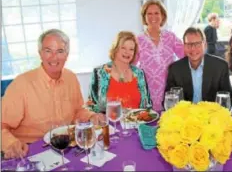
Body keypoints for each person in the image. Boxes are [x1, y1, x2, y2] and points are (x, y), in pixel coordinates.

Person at [1, 29, 104, 159]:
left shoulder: (71, 77)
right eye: (48, 51)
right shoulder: (21, 84)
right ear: (40, 54)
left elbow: (77, 111)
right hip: (31, 151)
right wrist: (11, 144)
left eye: (60, 51)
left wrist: (91, 116)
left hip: (67, 148)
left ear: (67, 55)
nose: (54, 57)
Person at [135, 0, 184, 111]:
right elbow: (131, 66)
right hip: (146, 91)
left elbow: (186, 55)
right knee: (149, 122)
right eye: (149, 13)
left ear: (162, 15)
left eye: (157, 13)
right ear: (144, 17)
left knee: (168, 124)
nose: (153, 17)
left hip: (169, 91)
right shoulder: (138, 40)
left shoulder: (170, 37)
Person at [165, 27, 232, 105]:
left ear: (205, 44)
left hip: (211, 114)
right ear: (184, 46)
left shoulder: (220, 66)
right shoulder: (174, 69)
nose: (193, 48)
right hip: (184, 115)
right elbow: (169, 100)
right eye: (189, 44)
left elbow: (228, 100)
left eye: (197, 44)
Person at [88, 31, 152, 113]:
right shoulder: (99, 73)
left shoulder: (139, 73)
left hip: (137, 124)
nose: (127, 52)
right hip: (110, 124)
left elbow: (148, 105)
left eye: (131, 49)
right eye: (123, 48)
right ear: (115, 48)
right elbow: (91, 105)